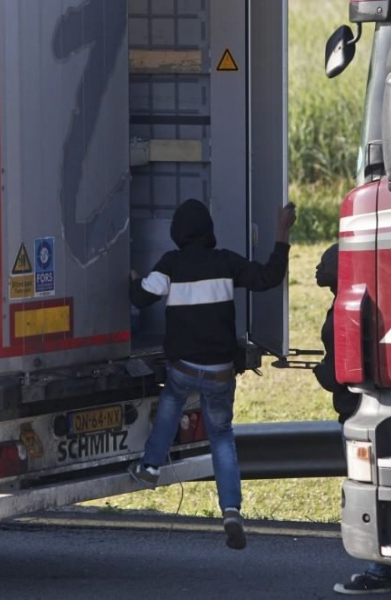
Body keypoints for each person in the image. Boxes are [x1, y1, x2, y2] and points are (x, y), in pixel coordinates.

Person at [128, 198, 296, 551]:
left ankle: (151, 466)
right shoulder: (226, 262)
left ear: (177, 233)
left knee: (171, 403)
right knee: (222, 437)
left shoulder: (170, 264)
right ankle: (231, 510)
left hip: (184, 369)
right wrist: (282, 230)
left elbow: (142, 298)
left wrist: (131, 280)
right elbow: (269, 277)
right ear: (208, 231)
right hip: (221, 372)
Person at [313, 243, 391, 594]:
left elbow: (341, 373)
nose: (317, 269)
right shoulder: (365, 302)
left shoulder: (342, 312)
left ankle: (378, 573)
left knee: (367, 489)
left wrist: (320, 373)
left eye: (324, 263)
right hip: (368, 408)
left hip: (355, 412)